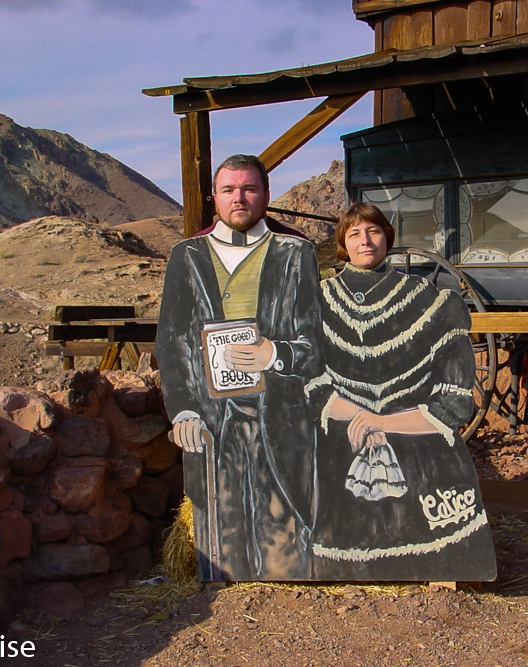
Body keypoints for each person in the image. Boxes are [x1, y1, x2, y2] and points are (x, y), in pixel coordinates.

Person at [306, 202, 497, 581]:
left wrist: (383, 421)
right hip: (339, 445)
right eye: (355, 233)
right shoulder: (315, 302)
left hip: (421, 447)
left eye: (374, 231)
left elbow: (455, 401)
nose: (366, 241)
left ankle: (442, 569)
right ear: (343, 243)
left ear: (388, 238)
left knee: (442, 549)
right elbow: (307, 382)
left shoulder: (432, 302)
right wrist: (356, 416)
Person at [155, 154, 320, 581]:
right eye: (229, 190)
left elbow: (316, 342)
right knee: (219, 521)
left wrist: (276, 355)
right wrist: (184, 408)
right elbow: (172, 342)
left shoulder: (295, 253)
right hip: (212, 418)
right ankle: (224, 601)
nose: (239, 198)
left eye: (249, 188)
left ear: (266, 195)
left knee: (284, 528)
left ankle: (288, 606)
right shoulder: (186, 255)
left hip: (279, 412)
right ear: (215, 197)